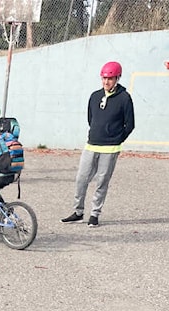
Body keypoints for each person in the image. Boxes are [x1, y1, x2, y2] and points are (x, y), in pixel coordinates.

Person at [62, 60, 135, 227]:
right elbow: (91, 118)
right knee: (81, 178)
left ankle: (94, 214)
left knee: (102, 181)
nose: (106, 82)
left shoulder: (124, 98)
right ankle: (78, 212)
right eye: (103, 78)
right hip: (92, 144)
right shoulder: (95, 96)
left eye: (110, 79)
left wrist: (116, 138)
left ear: (117, 78)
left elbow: (130, 124)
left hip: (110, 148)